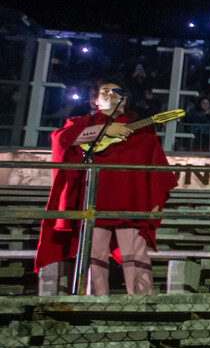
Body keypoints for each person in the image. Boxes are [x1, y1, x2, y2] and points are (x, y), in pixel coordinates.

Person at [35, 81, 177, 294]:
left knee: (135, 254)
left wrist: (154, 203)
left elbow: (154, 166)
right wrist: (103, 129)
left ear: (125, 100)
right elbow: (60, 139)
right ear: (95, 100)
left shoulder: (143, 130)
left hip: (132, 200)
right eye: (105, 91)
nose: (111, 93)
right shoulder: (81, 123)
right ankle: (95, 300)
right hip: (93, 197)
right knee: (94, 254)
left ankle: (142, 302)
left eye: (116, 91)